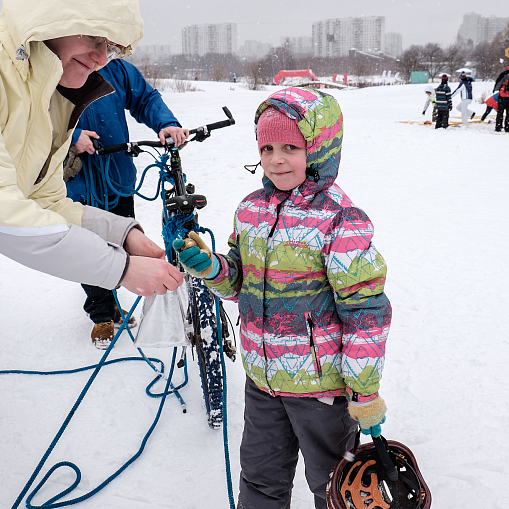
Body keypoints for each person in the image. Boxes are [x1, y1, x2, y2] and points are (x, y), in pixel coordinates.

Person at [173, 87, 391, 509]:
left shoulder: (340, 219)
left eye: (291, 147)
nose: (276, 159)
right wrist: (210, 267)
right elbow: (239, 282)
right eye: (267, 146)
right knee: (259, 480)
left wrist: (364, 392)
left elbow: (365, 312)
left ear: (319, 146)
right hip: (262, 383)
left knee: (334, 487)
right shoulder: (250, 210)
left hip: (322, 392)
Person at [0, 0, 183, 311]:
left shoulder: (62, 86)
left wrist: (121, 235)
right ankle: (102, 313)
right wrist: (121, 268)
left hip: (117, 171)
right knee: (95, 259)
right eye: (95, 38)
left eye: (110, 47)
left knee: (107, 236)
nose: (101, 58)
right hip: (83, 177)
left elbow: (45, 202)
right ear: (53, 16)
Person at [64, 58, 188, 348]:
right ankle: (102, 313)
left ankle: (120, 300)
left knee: (122, 243)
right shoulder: (55, 70)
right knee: (89, 250)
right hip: (79, 185)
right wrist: (72, 135)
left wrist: (167, 123)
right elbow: (35, 120)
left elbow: (144, 98)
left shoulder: (117, 70)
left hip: (118, 178)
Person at [493, 64, 509, 132]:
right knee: (508, 113)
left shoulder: (504, 74)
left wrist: (495, 89)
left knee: (500, 112)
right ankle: (507, 127)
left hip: (503, 96)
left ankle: (498, 126)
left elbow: (498, 83)